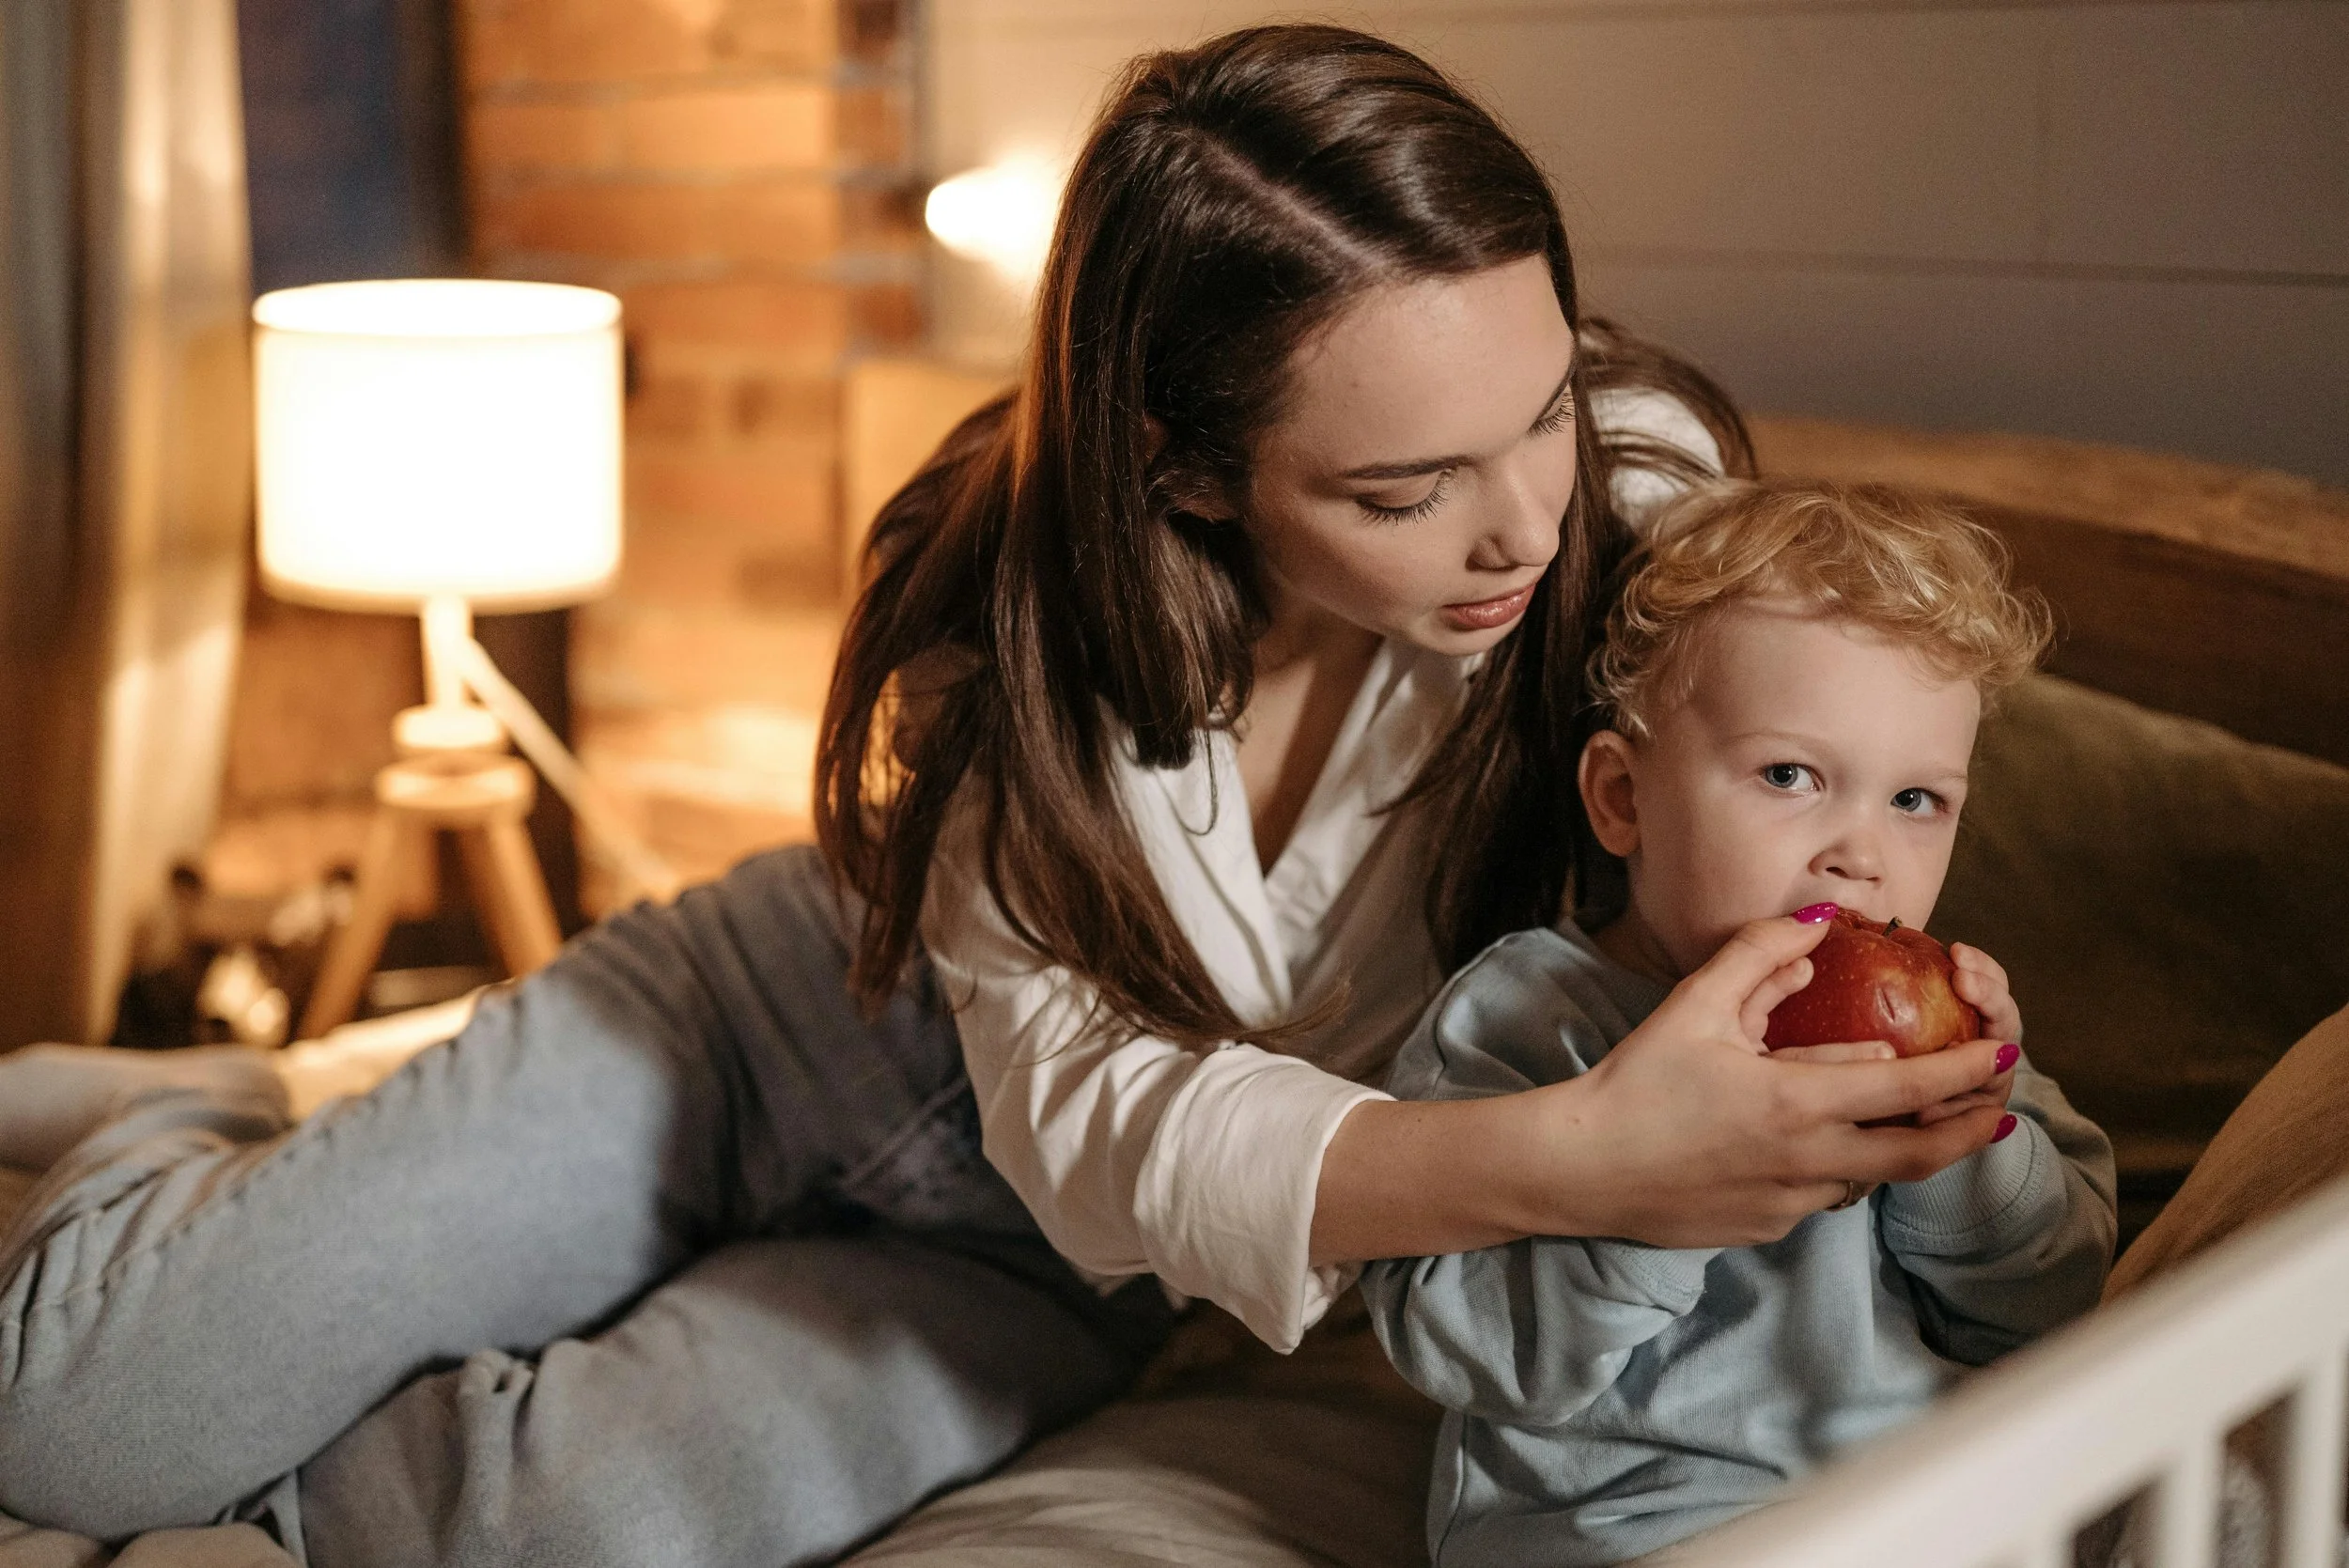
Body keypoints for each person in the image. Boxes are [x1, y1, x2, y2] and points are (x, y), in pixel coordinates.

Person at [0, 25, 2014, 1564]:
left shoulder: (1636, 500)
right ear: (1186, 467)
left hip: (1045, 1262)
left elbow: (1835, 767)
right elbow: (1095, 1113)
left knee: (538, 1533)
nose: (1515, 529)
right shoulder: (1012, 620)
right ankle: (198, 1112)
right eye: (1401, 492)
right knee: (80, 1421)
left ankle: (310, 1177)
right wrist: (1574, 1162)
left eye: (1535, 410)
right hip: (794, 1021)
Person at [1360, 479, 2117, 1567]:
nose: (1859, 853)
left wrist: (1962, 1148)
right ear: (1622, 798)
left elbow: (2052, 1308)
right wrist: (1649, 1198)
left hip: (1936, 1496)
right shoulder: (1523, 1020)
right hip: (1644, 1528)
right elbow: (1461, 1346)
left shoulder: (1949, 1038)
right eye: (1790, 774)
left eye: (1915, 800)